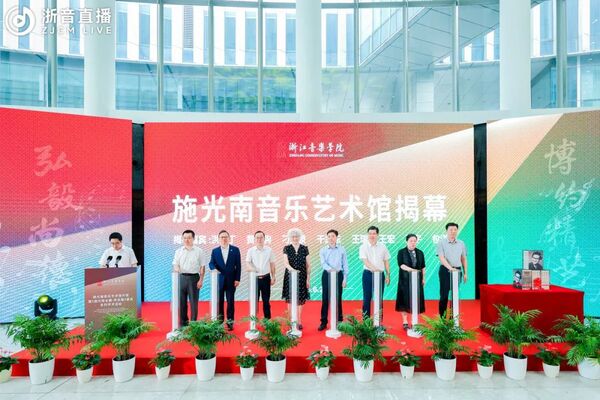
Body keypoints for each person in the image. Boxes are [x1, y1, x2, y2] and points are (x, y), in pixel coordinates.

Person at [172, 230, 207, 327]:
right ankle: (183, 323)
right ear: (182, 239)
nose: (187, 240)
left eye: (189, 238)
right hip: (181, 278)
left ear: (193, 239)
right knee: (181, 302)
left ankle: (193, 324)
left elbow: (202, 267)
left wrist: (201, 280)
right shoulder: (178, 251)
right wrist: (177, 270)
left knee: (193, 303)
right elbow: (175, 264)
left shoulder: (199, 251)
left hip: (194, 278)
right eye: (185, 238)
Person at [209, 230, 241, 331]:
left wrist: (237, 279)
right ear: (219, 239)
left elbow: (238, 266)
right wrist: (214, 268)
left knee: (230, 302)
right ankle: (220, 322)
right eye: (222, 237)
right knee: (220, 302)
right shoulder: (215, 251)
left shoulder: (235, 250)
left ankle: (230, 322)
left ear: (229, 238)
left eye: (226, 237)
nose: (224, 239)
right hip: (219, 280)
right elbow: (211, 263)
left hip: (231, 280)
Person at [318, 229, 348, 332]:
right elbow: (323, 263)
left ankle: (339, 322)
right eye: (329, 236)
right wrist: (331, 270)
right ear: (327, 238)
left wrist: (345, 278)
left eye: (333, 236)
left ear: (336, 237)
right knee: (325, 299)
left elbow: (345, 264)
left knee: (338, 298)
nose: (331, 238)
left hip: (339, 275)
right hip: (327, 275)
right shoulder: (323, 250)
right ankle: (323, 322)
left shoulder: (342, 249)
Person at [359, 226, 391, 320]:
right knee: (367, 297)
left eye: (374, 233)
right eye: (370, 233)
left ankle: (379, 322)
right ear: (367, 235)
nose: (372, 235)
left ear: (377, 235)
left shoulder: (383, 246)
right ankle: (366, 321)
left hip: (380, 275)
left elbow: (386, 261)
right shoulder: (363, 247)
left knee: (379, 298)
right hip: (367, 274)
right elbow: (365, 262)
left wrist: (388, 275)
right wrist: (375, 269)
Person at [282, 228, 311, 330]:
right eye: (293, 236)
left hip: (302, 276)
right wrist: (293, 271)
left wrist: (308, 279)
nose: (295, 238)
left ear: (300, 237)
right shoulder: (286, 248)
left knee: (300, 299)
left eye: (297, 236)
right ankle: (290, 320)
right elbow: (285, 263)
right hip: (290, 276)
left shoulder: (304, 248)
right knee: (290, 299)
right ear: (290, 237)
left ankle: (299, 320)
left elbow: (308, 265)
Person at [437, 222, 468, 317]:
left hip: (457, 270)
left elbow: (463, 258)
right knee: (444, 295)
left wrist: (465, 273)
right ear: (447, 231)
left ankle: (453, 319)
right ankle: (442, 319)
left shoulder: (461, 243)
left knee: (455, 295)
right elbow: (441, 258)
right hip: (445, 271)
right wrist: (450, 268)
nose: (453, 231)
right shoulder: (441, 242)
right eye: (451, 230)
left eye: (455, 230)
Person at [395, 234, 426, 330]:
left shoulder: (420, 252)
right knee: (404, 300)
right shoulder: (401, 252)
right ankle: (405, 322)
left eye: (414, 241)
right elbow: (401, 265)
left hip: (417, 280)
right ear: (407, 241)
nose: (413, 243)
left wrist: (423, 278)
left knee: (416, 300)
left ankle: (414, 321)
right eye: (411, 241)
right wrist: (412, 270)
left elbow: (423, 267)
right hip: (405, 280)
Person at [246, 231, 276, 319]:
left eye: (261, 237)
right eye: (257, 238)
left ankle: (267, 321)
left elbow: (272, 264)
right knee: (254, 301)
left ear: (264, 238)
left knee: (266, 300)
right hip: (254, 279)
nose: (259, 239)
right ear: (254, 239)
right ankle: (253, 321)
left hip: (266, 278)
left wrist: (273, 276)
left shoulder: (269, 250)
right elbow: (247, 263)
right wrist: (253, 269)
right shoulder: (251, 251)